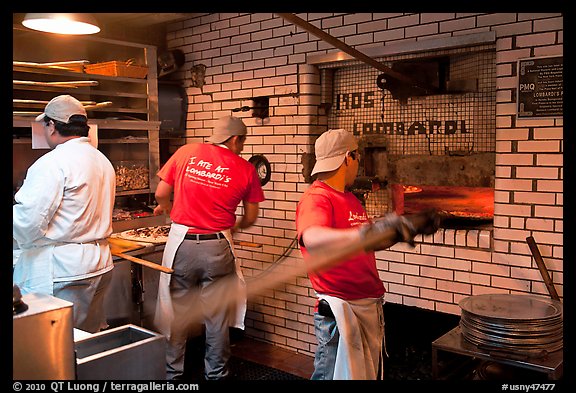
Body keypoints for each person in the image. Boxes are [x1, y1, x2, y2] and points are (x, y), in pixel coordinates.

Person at [296, 128, 427, 380]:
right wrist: (363, 236)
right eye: (357, 158)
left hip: (365, 306)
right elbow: (312, 238)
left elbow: (366, 244)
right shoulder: (317, 198)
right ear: (348, 157)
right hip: (339, 313)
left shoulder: (350, 199)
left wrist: (397, 231)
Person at [153, 115, 265, 380]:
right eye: (242, 142)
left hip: (182, 246)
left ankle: (173, 374)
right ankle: (216, 374)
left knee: (178, 313)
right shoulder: (246, 169)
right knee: (216, 317)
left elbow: (160, 194)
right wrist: (232, 228)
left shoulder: (186, 151)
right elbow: (250, 218)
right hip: (217, 248)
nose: (242, 148)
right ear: (235, 139)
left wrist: (170, 211)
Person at [13, 94, 116, 333]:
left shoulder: (52, 162)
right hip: (99, 263)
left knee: (51, 347)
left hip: (61, 270)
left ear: (51, 125)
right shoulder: (102, 160)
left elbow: (27, 223)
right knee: (85, 342)